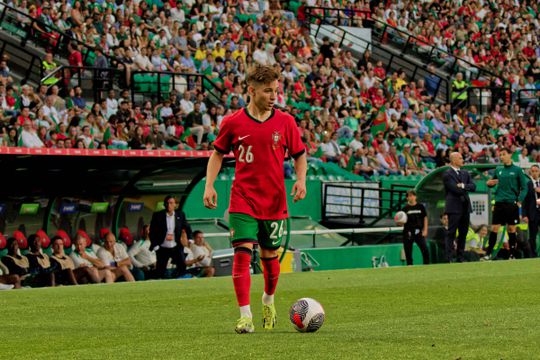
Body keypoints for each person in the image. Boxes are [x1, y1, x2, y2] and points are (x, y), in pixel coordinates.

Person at [203, 65, 307, 333]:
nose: (274, 96)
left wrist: (301, 180)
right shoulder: (233, 122)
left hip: (274, 202)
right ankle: (245, 316)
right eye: (268, 91)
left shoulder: (285, 122)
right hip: (243, 199)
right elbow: (217, 154)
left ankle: (268, 299)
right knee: (242, 252)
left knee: (269, 255)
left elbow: (299, 155)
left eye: (276, 91)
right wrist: (210, 185)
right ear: (251, 90)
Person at [484, 148, 529, 260]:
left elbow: (524, 188)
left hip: (511, 203)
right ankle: (488, 254)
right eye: (500, 154)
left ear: (510, 155)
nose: (502, 156)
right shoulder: (498, 170)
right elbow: (492, 183)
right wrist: (489, 183)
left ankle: (512, 254)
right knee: (494, 228)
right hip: (499, 202)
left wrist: (519, 201)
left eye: (504, 154)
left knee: (511, 229)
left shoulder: (518, 170)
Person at [442, 152, 476, 262]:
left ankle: (460, 257)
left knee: (463, 233)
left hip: (465, 206)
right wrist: (466, 187)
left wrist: (463, 185)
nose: (463, 160)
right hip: (454, 207)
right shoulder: (447, 174)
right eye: (460, 158)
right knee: (451, 233)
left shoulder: (465, 173)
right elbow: (454, 189)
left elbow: (473, 187)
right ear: (453, 160)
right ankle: (449, 257)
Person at [150, 195, 192, 279]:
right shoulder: (158, 215)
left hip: (175, 245)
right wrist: (155, 245)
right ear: (165, 204)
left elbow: (187, 226)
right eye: (167, 203)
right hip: (162, 246)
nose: (169, 205)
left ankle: (181, 280)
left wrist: (190, 239)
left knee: (182, 264)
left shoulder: (180, 214)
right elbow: (152, 231)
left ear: (175, 205)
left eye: (171, 203)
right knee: (160, 269)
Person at [398, 190, 429, 266]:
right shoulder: (404, 209)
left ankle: (427, 265)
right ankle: (410, 266)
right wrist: (399, 222)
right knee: (408, 251)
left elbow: (425, 218)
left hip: (418, 232)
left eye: (413, 195)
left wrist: (425, 230)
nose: (411, 197)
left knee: (425, 249)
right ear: (407, 198)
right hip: (408, 232)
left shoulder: (420, 206)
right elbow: (400, 222)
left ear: (416, 197)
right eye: (409, 196)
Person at [522, 164, 540, 258]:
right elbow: (525, 201)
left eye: (536, 171)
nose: (535, 173)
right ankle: (533, 255)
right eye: (533, 171)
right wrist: (524, 215)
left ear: (539, 172)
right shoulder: (528, 184)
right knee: (532, 236)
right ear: (530, 173)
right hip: (533, 214)